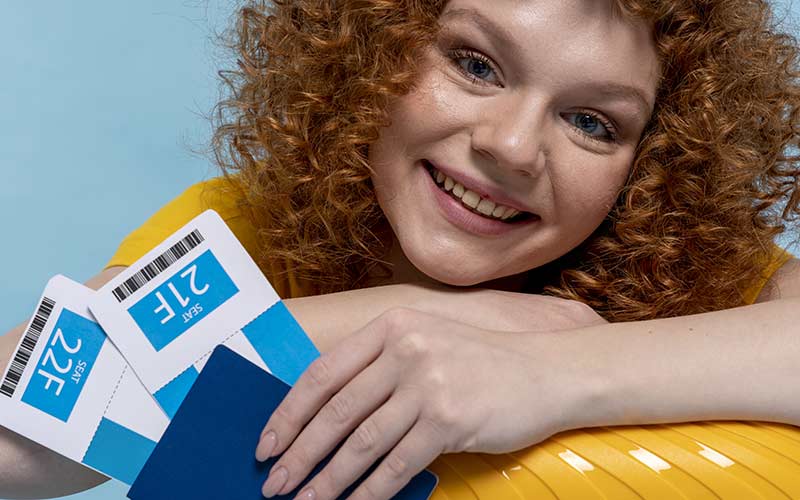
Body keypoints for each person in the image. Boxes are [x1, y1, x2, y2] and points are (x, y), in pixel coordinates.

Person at [2, 0, 800, 498]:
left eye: (592, 122)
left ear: (652, 161)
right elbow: (15, 424)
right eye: (476, 65)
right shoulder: (247, 232)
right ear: (373, 49)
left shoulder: (710, 279)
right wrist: (407, 317)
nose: (513, 147)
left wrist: (556, 370)